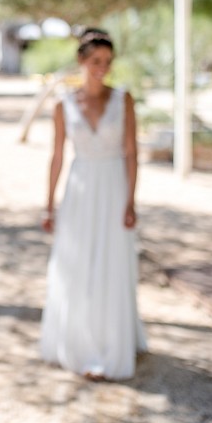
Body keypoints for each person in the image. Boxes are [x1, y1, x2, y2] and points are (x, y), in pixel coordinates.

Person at [39, 28, 147, 381]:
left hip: (114, 187)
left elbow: (131, 153)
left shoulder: (124, 100)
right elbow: (56, 157)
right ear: (82, 61)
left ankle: (112, 345)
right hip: (79, 191)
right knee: (79, 266)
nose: (103, 68)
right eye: (97, 61)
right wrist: (49, 205)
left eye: (108, 62)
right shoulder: (63, 105)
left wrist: (131, 200)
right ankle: (79, 345)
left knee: (113, 264)